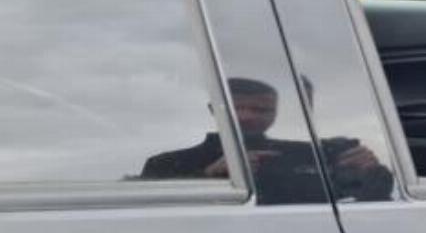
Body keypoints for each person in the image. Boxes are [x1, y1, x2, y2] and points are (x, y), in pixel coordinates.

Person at [141, 77, 392, 203]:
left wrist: (371, 171)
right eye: (236, 107)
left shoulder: (313, 155)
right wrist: (210, 177)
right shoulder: (166, 164)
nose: (247, 116)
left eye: (261, 110)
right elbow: (156, 225)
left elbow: (369, 203)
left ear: (275, 113)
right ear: (213, 110)